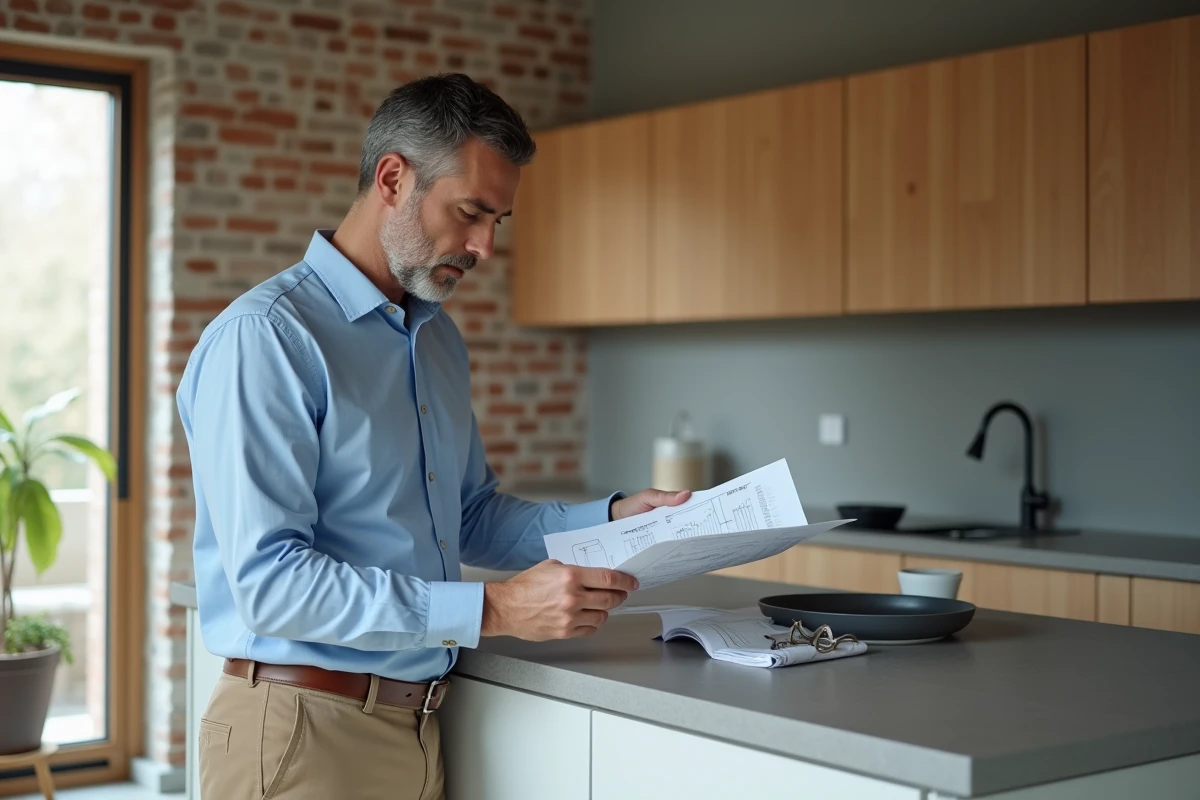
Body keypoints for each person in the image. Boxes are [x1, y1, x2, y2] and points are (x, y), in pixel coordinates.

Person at [176, 73, 689, 800]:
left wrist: (607, 519)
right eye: (470, 213)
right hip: (298, 732)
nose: (483, 247)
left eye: (496, 223)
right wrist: (499, 609)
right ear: (393, 179)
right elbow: (272, 586)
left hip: (416, 730)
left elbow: (469, 514)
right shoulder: (267, 339)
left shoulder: (437, 340)